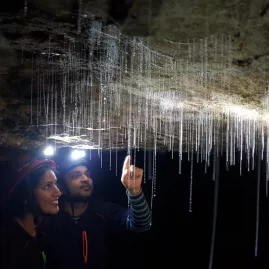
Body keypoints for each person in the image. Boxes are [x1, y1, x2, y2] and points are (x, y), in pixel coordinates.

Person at [40, 153, 151, 269]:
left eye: (87, 174)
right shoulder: (48, 218)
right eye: (75, 176)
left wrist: (134, 191)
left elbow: (142, 224)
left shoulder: (105, 211)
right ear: (61, 187)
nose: (85, 179)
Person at [0, 154, 62, 269]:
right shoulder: (9, 244)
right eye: (47, 186)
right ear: (25, 194)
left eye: (55, 184)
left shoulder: (40, 233)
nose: (58, 192)